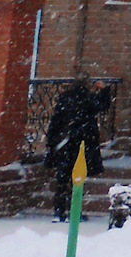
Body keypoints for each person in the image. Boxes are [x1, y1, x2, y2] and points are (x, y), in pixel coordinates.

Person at [44, 80, 111, 221]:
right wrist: (104, 90)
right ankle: (74, 211)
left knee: (62, 179)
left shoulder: (64, 99)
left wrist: (52, 142)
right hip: (82, 144)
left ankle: (59, 211)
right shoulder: (88, 99)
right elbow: (103, 106)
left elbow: (56, 121)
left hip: (64, 144)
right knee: (78, 180)